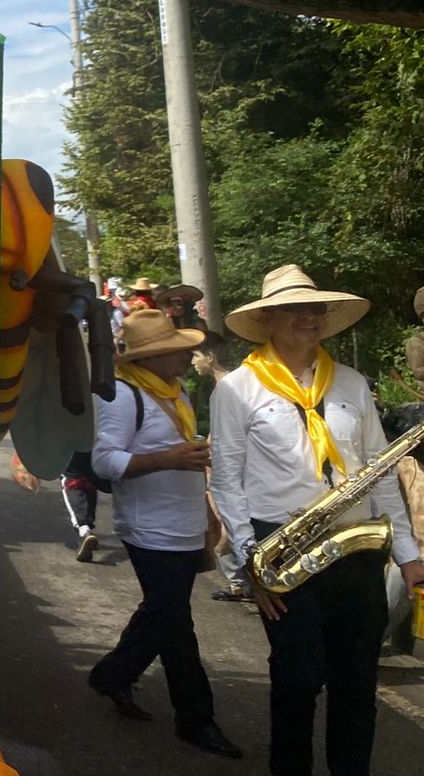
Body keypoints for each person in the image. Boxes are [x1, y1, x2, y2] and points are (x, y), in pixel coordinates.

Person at [210, 265, 424, 776]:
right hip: (281, 549)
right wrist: (250, 567)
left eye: (316, 308)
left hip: (358, 548)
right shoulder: (237, 389)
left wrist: (410, 556)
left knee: (355, 684)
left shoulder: (351, 382)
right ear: (267, 320)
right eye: (293, 309)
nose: (308, 317)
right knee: (296, 680)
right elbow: (227, 482)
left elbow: (379, 470)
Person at [88, 309, 244, 757]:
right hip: (148, 529)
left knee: (160, 613)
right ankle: (196, 720)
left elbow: (178, 451)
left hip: (183, 524)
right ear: (151, 357)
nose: (186, 355)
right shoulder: (122, 397)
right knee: (176, 624)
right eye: (176, 350)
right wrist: (169, 459)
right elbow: (105, 462)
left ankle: (112, 675)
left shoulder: (174, 393)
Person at [62, 450, 102, 562]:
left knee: (71, 483)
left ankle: (83, 530)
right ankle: (87, 525)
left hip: (73, 446)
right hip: (97, 446)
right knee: (89, 481)